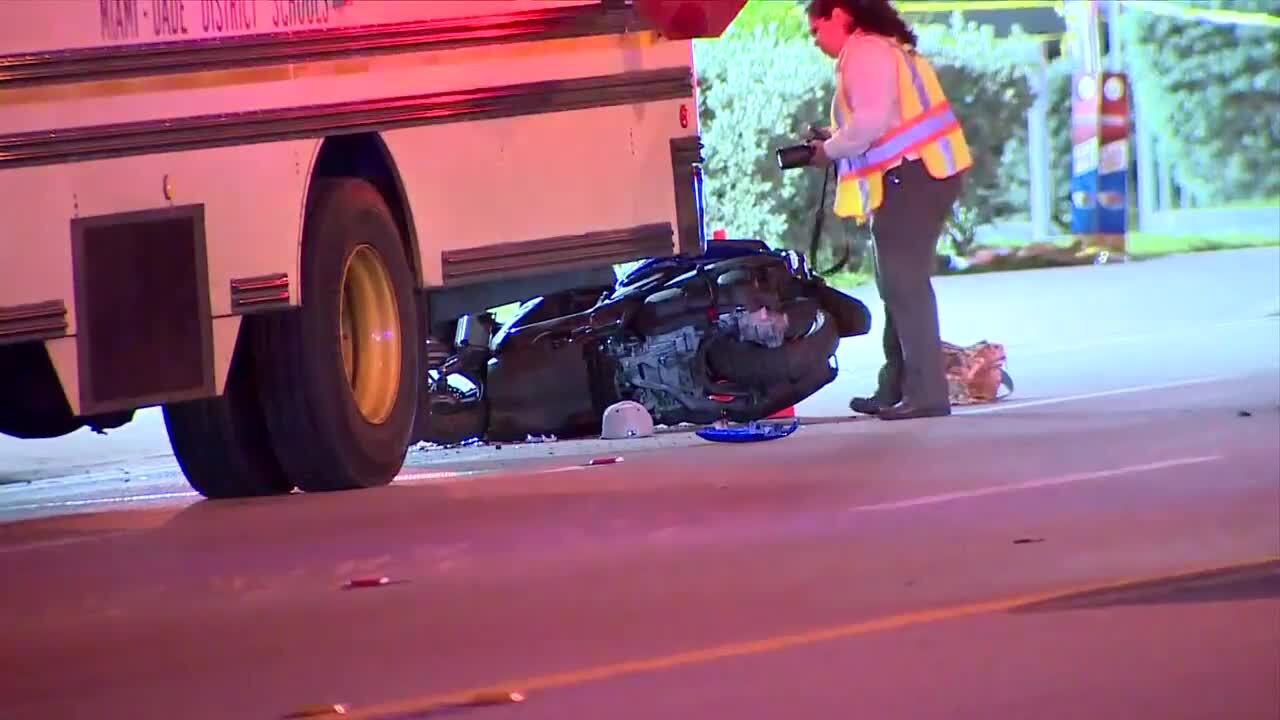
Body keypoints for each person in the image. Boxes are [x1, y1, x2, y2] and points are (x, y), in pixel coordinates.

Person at [804, 0, 972, 421]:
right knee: (896, 285)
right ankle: (896, 387)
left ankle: (926, 394)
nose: (815, 40)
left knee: (904, 286)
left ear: (839, 15)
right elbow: (882, 122)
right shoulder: (884, 48)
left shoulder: (866, 52)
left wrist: (828, 149)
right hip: (919, 174)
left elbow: (870, 123)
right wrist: (835, 138)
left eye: (815, 29)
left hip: (914, 176)